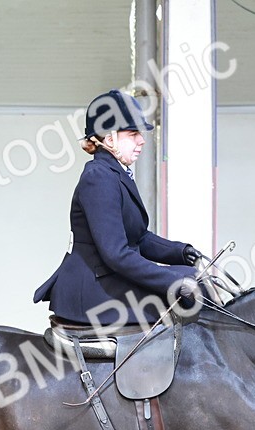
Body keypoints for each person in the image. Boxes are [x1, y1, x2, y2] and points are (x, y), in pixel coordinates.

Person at [33, 89, 203, 328]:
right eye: (133, 134)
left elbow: (139, 238)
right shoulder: (98, 178)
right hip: (92, 290)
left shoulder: (116, 173)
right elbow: (116, 254)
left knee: (197, 280)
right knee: (184, 297)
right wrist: (171, 279)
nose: (141, 140)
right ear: (109, 138)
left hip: (108, 278)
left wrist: (181, 252)